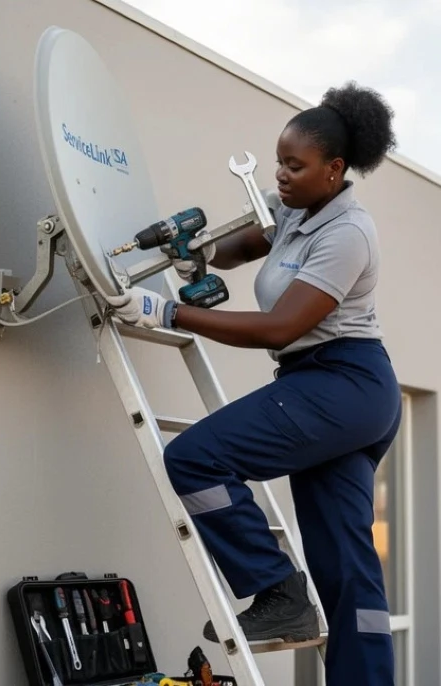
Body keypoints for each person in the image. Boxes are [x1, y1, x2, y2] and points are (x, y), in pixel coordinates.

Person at [104, 81, 402, 684]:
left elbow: (279, 326)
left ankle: (274, 590)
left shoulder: (348, 234)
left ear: (335, 169)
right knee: (346, 568)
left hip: (345, 381)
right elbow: (241, 246)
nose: (282, 175)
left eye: (296, 165)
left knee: (194, 459)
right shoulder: (292, 206)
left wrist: (168, 313)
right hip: (334, 386)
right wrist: (198, 255)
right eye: (278, 162)